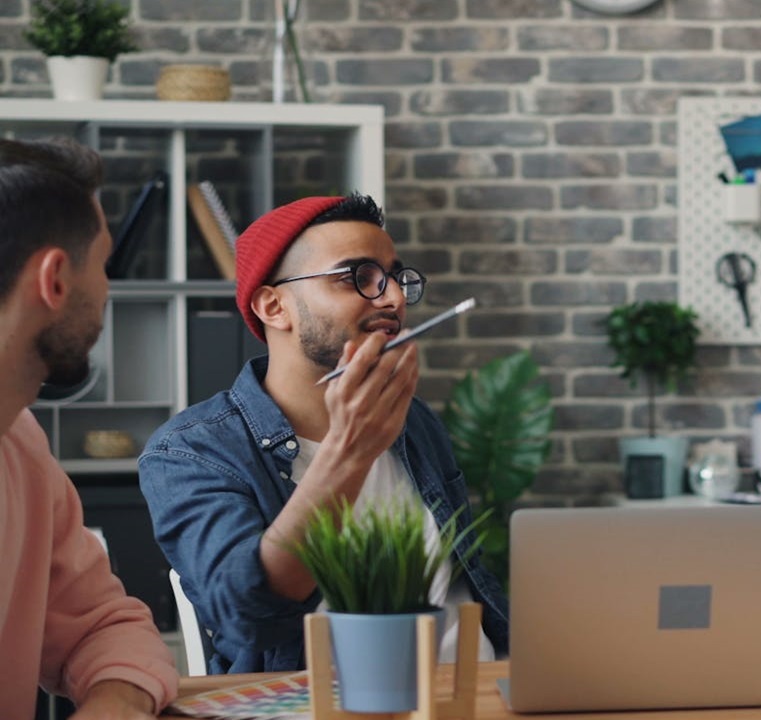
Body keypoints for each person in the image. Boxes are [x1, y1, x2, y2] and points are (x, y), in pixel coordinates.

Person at [138, 194, 509, 674]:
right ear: (274, 306)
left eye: (395, 277)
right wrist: (349, 453)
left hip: (473, 695)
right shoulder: (191, 452)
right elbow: (248, 618)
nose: (393, 298)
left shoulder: (413, 421)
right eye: (358, 277)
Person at [0, 138, 178, 716]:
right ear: (55, 279)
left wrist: (116, 701)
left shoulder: (21, 445)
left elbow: (100, 625)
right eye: (101, 265)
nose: (106, 289)